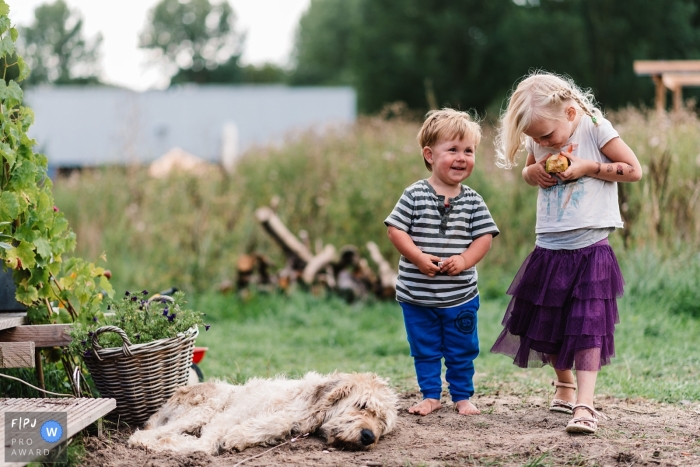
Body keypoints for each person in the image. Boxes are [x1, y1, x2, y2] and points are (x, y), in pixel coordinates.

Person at [490, 71, 642, 434]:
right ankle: (564, 385)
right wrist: (534, 173)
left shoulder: (594, 128)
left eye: (545, 136)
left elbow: (633, 170)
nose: (541, 142)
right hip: (549, 247)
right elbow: (528, 171)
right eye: (534, 138)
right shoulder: (540, 137)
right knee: (546, 323)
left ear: (570, 113)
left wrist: (589, 167)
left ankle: (585, 405)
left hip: (590, 249)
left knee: (587, 325)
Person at [384, 108, 499, 416]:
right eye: (453, 150)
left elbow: (484, 238)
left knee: (462, 349)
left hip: (460, 296)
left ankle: (462, 396)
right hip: (417, 296)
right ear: (429, 154)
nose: (462, 157)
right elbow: (396, 230)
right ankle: (431, 395)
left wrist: (463, 260)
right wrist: (419, 258)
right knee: (425, 348)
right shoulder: (414, 194)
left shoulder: (473, 200)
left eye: (469, 151)